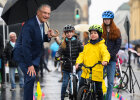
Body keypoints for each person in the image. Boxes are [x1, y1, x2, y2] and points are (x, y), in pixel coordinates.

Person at [13, 4, 56, 100]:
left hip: (32, 55)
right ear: (38, 12)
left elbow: (38, 39)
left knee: (29, 79)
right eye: (45, 12)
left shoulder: (41, 24)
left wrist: (48, 37)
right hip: (22, 55)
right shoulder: (29, 25)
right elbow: (26, 45)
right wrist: (29, 64)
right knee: (31, 77)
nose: (47, 15)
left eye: (49, 13)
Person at [75, 25, 110, 100]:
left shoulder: (101, 46)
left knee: (98, 90)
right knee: (81, 86)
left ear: (99, 34)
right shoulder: (87, 46)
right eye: (91, 33)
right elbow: (82, 55)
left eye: (95, 33)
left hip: (97, 71)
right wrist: (78, 62)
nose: (93, 35)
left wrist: (105, 60)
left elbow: (106, 53)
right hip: (86, 71)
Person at [55, 24, 83, 100]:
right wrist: (57, 56)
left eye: (70, 32)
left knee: (81, 80)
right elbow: (59, 52)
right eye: (67, 33)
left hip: (77, 66)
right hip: (66, 67)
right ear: (65, 34)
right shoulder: (63, 43)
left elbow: (83, 51)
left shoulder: (78, 42)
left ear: (73, 32)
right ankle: (62, 98)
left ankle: (81, 96)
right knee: (64, 84)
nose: (69, 34)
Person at [102, 10, 122, 100]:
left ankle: (108, 98)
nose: (106, 20)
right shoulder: (100, 30)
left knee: (110, 82)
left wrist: (110, 55)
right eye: (105, 19)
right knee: (99, 80)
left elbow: (118, 46)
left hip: (112, 60)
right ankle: (100, 97)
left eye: (108, 19)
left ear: (111, 20)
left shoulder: (117, 31)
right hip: (101, 60)